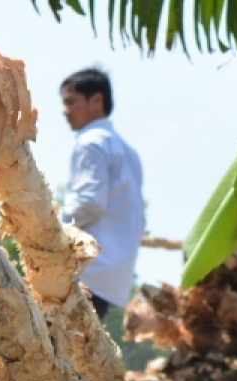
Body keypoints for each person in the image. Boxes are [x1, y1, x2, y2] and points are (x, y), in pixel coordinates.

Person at [60, 68, 145, 317]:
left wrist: (46, 229)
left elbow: (89, 202)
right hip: (111, 276)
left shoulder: (91, 142)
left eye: (71, 102)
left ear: (97, 100)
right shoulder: (128, 151)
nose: (66, 111)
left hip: (87, 271)